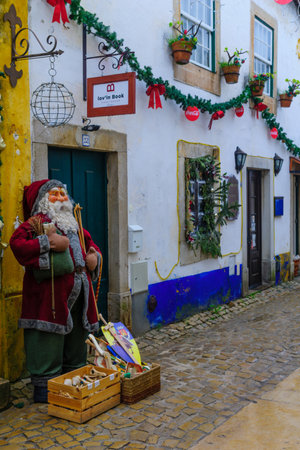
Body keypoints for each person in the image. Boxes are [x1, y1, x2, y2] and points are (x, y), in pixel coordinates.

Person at [10, 179, 101, 403]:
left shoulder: (73, 222)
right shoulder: (35, 222)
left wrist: (94, 258)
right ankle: (45, 388)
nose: (61, 198)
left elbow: (91, 245)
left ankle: (74, 379)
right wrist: (47, 243)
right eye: (54, 194)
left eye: (63, 194)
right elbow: (17, 244)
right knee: (48, 340)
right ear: (43, 200)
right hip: (48, 296)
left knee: (76, 336)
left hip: (80, 291)